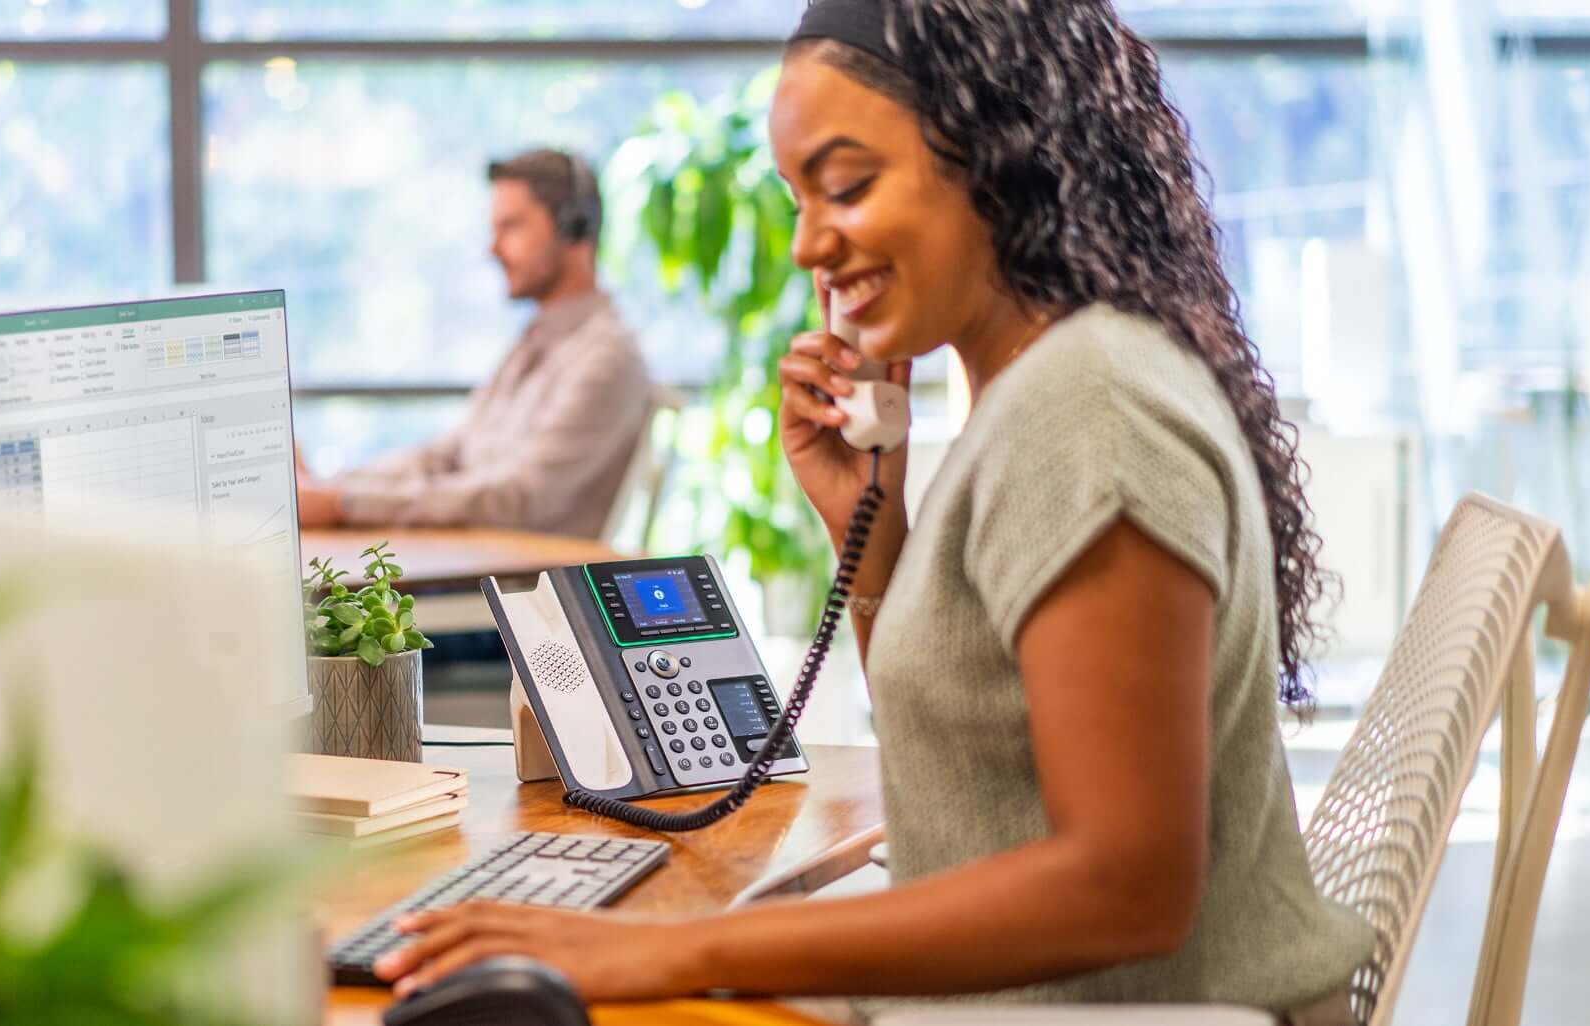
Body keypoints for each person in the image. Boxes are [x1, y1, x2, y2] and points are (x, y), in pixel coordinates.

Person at [372, 1, 1376, 1022]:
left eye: (846, 187)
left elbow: (1125, 888)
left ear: (997, 147)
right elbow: (972, 745)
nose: (808, 245)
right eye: (798, 200)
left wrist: (677, 947)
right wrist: (869, 520)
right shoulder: (1042, 386)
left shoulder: (1085, 407)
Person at [295, 147, 652, 537]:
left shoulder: (606, 359)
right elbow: (448, 455)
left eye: (511, 227)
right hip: (480, 553)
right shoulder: (537, 340)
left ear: (574, 228)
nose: (492, 249)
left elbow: (514, 499)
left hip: (524, 567)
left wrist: (342, 504)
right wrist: (332, 487)